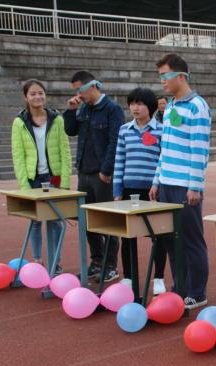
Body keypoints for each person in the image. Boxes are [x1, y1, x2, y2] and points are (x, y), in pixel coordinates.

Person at [149, 53, 211, 310]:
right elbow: (165, 148)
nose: (162, 81)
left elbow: (199, 150)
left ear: (181, 76)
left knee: (191, 241)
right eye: (160, 76)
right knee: (172, 241)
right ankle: (180, 288)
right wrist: (156, 180)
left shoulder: (197, 106)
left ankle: (197, 292)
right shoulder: (170, 107)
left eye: (166, 75)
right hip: (166, 184)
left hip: (185, 187)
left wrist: (195, 186)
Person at [64, 71, 125, 283]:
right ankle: (97, 261)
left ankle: (110, 265)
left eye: (79, 90)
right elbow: (70, 131)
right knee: (87, 221)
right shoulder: (83, 108)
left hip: (102, 174)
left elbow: (115, 141)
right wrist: (70, 111)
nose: (78, 95)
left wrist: (106, 170)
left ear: (92, 86)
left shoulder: (112, 109)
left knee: (107, 221)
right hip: (84, 172)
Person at [11, 79, 72, 273]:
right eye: (33, 94)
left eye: (40, 93)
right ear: (25, 97)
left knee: (56, 222)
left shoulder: (57, 119)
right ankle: (37, 261)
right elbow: (18, 156)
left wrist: (65, 183)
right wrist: (24, 186)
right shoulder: (19, 123)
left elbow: (65, 152)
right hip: (33, 179)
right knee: (35, 221)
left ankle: (56, 262)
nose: (38, 97)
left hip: (53, 178)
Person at [113, 88, 168, 295]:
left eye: (140, 104)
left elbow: (163, 161)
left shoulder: (161, 131)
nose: (135, 108)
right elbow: (119, 161)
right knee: (127, 236)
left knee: (159, 236)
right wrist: (117, 190)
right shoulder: (124, 130)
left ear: (151, 107)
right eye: (132, 103)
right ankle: (128, 277)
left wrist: (157, 185)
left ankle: (159, 278)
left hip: (152, 191)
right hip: (129, 190)